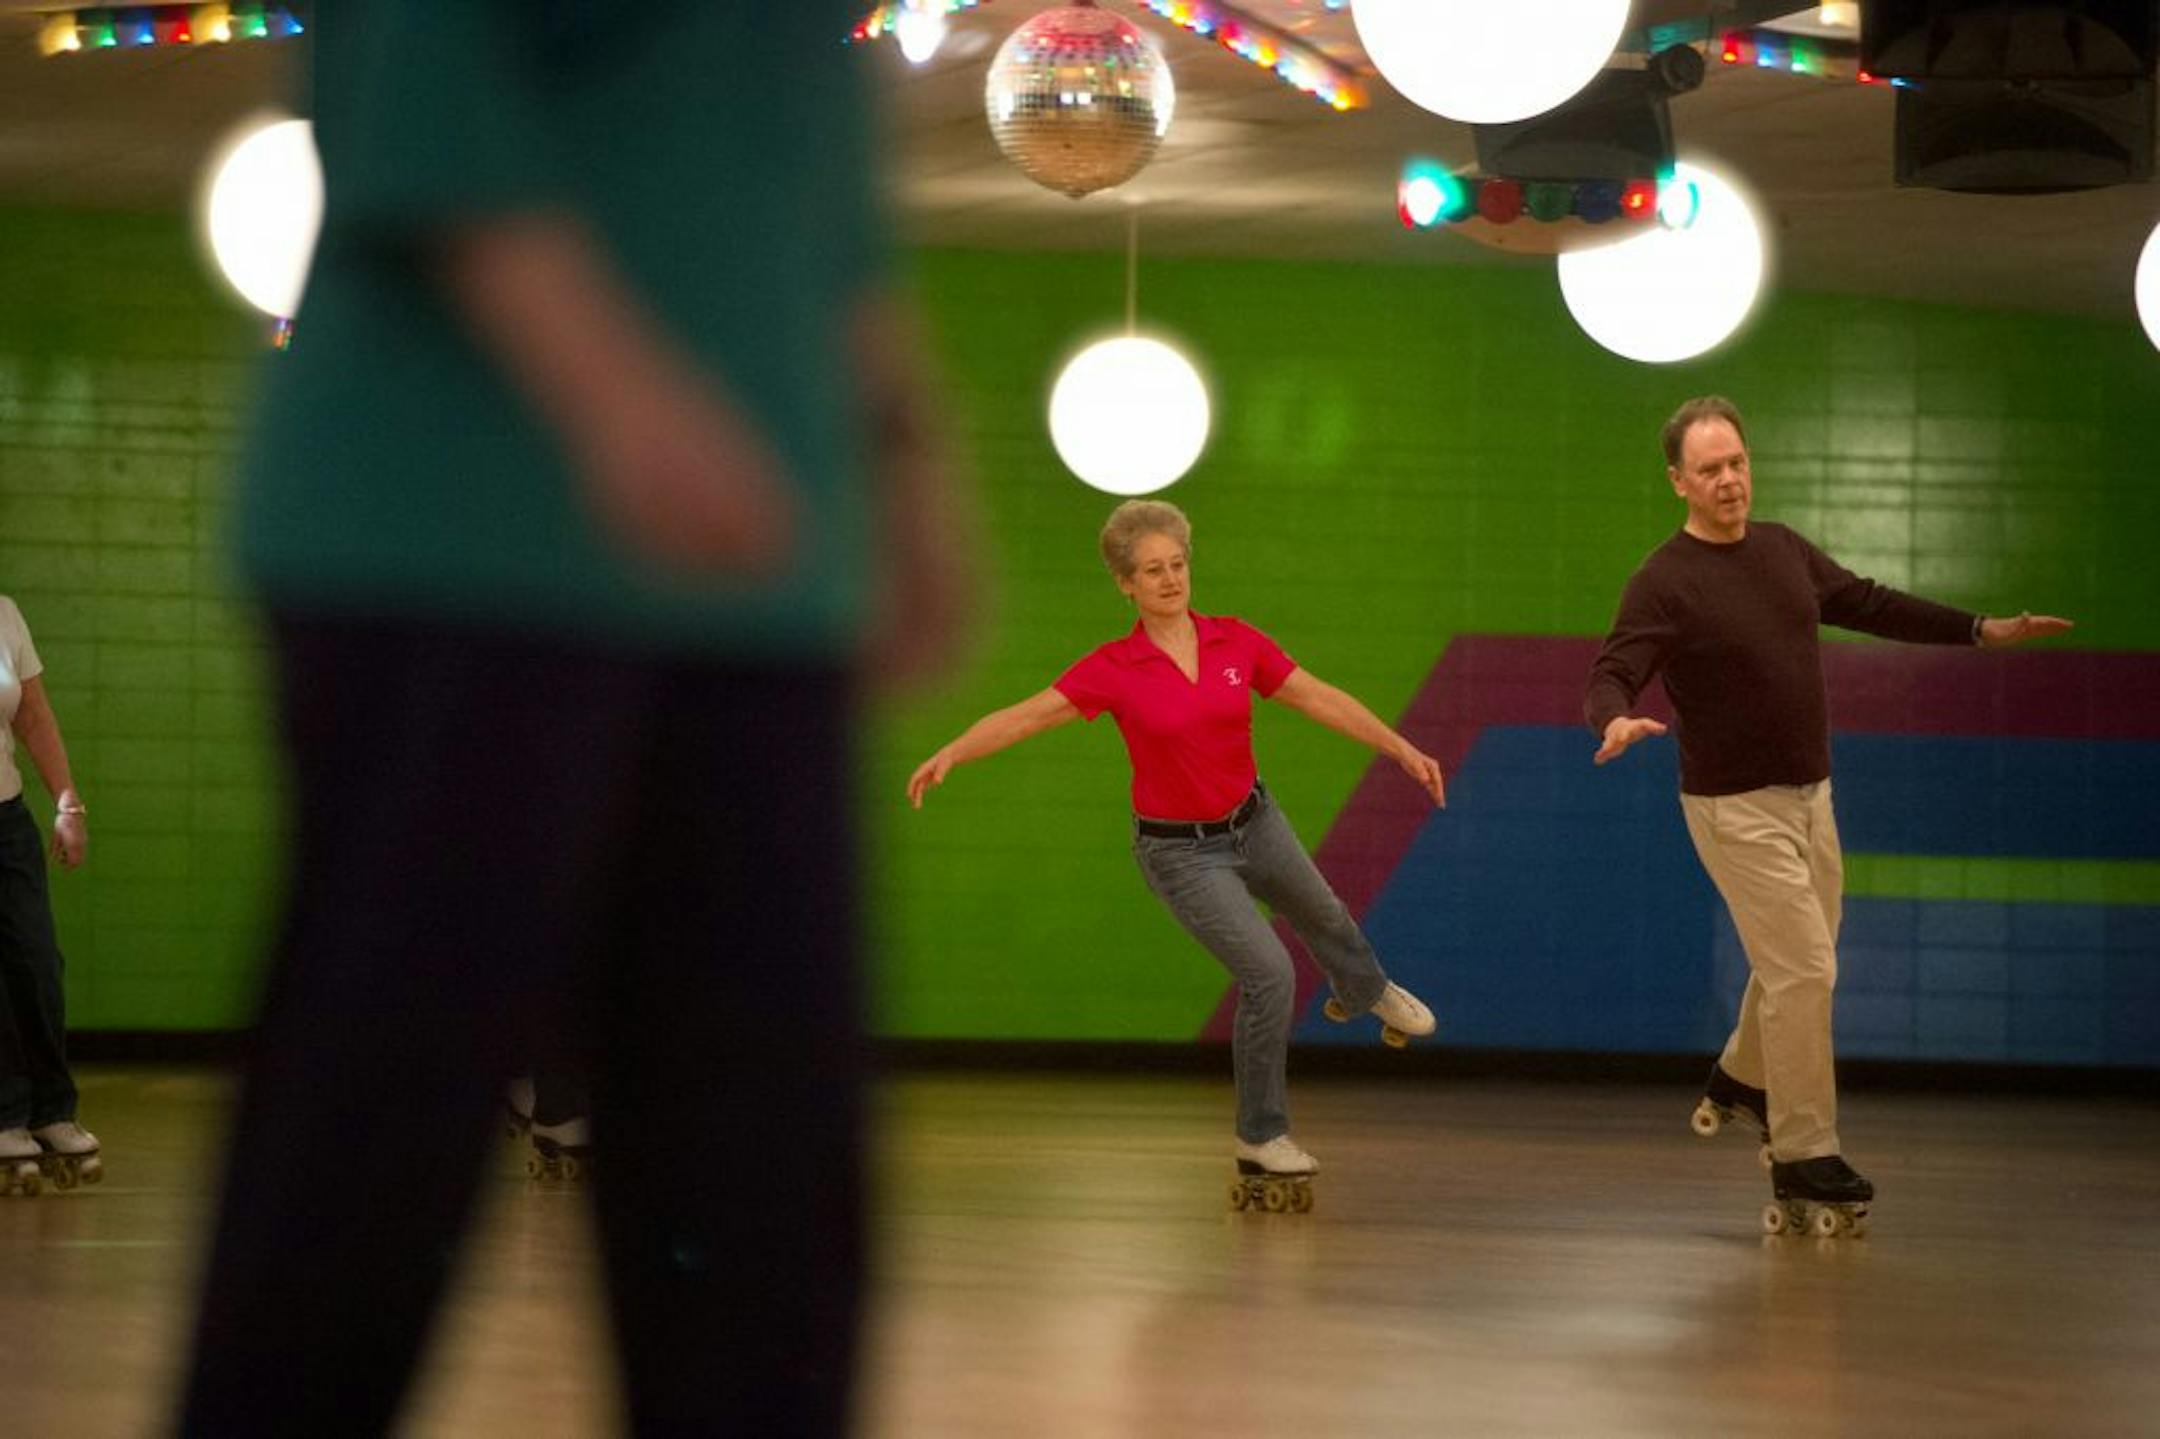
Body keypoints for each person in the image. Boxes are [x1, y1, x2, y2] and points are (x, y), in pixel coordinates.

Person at [175, 4, 967, 1434]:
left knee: (768, 1188)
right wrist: (613, 395)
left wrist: (906, 463)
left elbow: (818, 168)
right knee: (371, 1162)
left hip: (757, 572)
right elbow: (417, 79)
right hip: (460, 537)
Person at [1584, 395, 2072, 1233]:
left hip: (1814, 797)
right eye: (1710, 469)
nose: (1730, 479)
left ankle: (1742, 1077)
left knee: (1796, 966)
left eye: (1736, 461)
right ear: (1679, 482)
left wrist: (1981, 631)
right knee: (1807, 969)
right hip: (1733, 809)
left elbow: (1873, 603)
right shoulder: (1664, 580)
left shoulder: (1782, 550)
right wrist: (1613, 719)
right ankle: (1805, 1152)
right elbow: (1612, 669)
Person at [908, 500, 1444, 1202]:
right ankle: (1261, 1134)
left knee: (1327, 913)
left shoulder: (1235, 642)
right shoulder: (1115, 667)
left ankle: (1364, 989)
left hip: (1255, 820)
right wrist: (956, 749)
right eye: (1151, 570)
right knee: (1269, 972)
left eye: (1178, 564)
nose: (1169, 578)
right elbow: (1031, 713)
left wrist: (1397, 745)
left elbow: (1316, 697)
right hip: (1181, 853)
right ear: (1126, 584)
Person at [0, 595, 99, 1197]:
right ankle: (5, 1115)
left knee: (37, 962)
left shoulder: (4, 613)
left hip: (6, 820)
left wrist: (68, 804)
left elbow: (31, 713)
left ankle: (50, 1110)